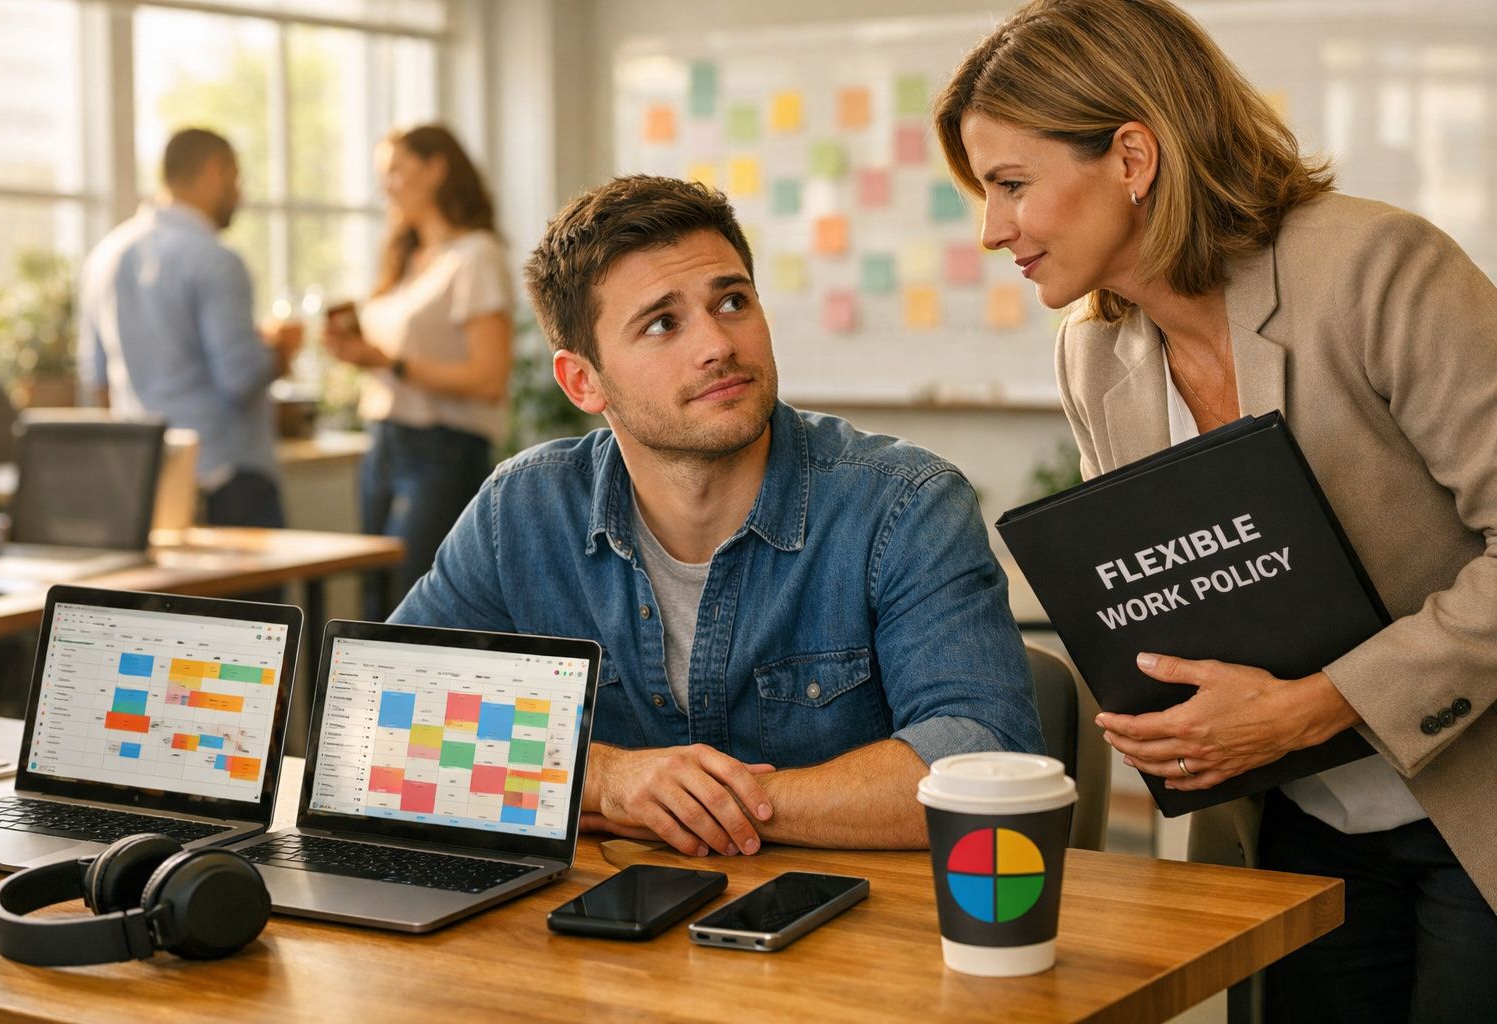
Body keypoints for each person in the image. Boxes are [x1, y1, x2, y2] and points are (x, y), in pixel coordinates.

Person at [933, 0, 1497, 1018]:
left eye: (1012, 185)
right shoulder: (1095, 351)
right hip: (1292, 828)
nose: (991, 230)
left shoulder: (1376, 269)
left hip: (1474, 804)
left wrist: (1323, 703)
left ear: (1134, 157)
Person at [391, 175, 1044, 857]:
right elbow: (387, 720)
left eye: (732, 302)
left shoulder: (905, 503)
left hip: (852, 939)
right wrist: (605, 779)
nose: (718, 345)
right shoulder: (519, 512)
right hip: (599, 938)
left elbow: (983, 759)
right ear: (583, 381)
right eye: (662, 323)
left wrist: (695, 807)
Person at [322, 125, 513, 616]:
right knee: (373, 605)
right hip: (384, 445)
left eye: (395, 171)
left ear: (436, 168)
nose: (386, 186)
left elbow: (489, 380)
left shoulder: (476, 257)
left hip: (442, 453)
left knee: (415, 609)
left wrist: (392, 363)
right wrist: (360, 354)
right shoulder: (405, 260)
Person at [79, 127, 298, 529]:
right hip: (227, 480)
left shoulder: (105, 256)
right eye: (236, 179)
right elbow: (240, 377)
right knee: (251, 596)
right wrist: (279, 351)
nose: (240, 194)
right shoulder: (215, 260)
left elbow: (97, 381)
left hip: (148, 482)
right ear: (215, 171)